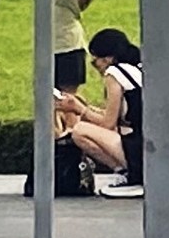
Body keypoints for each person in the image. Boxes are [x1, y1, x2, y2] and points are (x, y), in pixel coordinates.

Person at [57, 27, 143, 183]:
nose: (95, 67)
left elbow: (108, 124)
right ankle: (128, 172)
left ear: (108, 59)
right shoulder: (136, 69)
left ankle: (125, 171)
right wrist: (88, 109)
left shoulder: (114, 74)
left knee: (79, 131)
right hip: (144, 143)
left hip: (137, 149)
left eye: (95, 62)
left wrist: (80, 109)